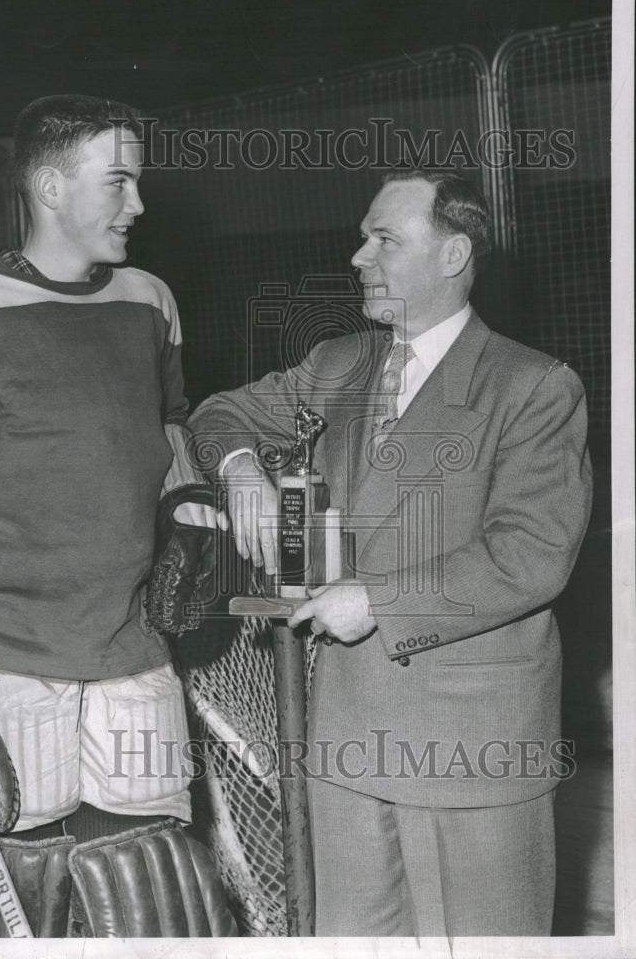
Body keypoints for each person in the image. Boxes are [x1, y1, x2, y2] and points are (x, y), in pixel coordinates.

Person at [189, 169, 593, 937]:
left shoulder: (532, 386)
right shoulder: (339, 364)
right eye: (362, 235)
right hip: (344, 739)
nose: (357, 256)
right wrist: (241, 471)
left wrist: (376, 599)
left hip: (470, 749)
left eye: (384, 239)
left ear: (451, 255)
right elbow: (219, 412)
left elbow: (531, 554)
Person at [0, 94, 220, 936]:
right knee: (11, 908)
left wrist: (193, 504)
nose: (137, 204)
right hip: (11, 665)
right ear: (52, 188)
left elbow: (169, 427)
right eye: (118, 182)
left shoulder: (151, 299)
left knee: (153, 897)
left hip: (135, 651)